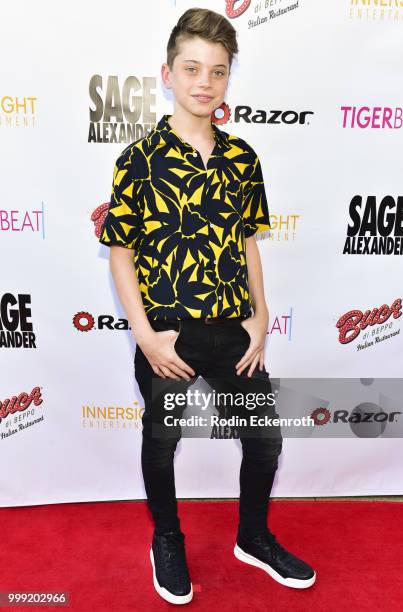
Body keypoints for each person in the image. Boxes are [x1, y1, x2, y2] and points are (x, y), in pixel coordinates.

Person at [99, 7, 316, 605]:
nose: (204, 81)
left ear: (227, 79)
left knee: (265, 439)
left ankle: (253, 536)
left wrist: (262, 316)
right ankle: (166, 538)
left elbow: (247, 242)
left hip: (234, 330)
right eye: (191, 68)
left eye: (217, 71)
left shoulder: (244, 159)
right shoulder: (137, 162)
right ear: (167, 74)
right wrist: (144, 335)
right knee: (162, 440)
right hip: (166, 334)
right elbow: (120, 253)